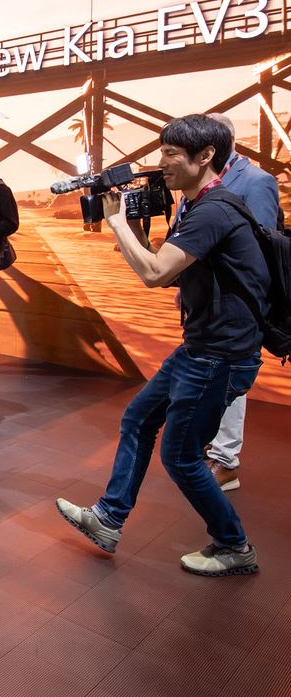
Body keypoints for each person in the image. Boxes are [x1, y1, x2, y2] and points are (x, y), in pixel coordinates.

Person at [56, 114, 270, 577]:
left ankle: (234, 546)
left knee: (180, 455)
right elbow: (169, 271)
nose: (162, 162)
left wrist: (116, 223)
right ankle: (108, 519)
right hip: (201, 347)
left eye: (172, 154)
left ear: (205, 156)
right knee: (137, 418)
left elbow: (156, 273)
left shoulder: (214, 210)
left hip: (219, 356)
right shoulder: (199, 205)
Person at [179, 113, 281, 493]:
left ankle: (225, 459)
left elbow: (262, 245)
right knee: (209, 377)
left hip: (237, 305)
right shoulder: (197, 183)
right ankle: (211, 447)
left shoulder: (256, 181)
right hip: (201, 303)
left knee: (229, 382)